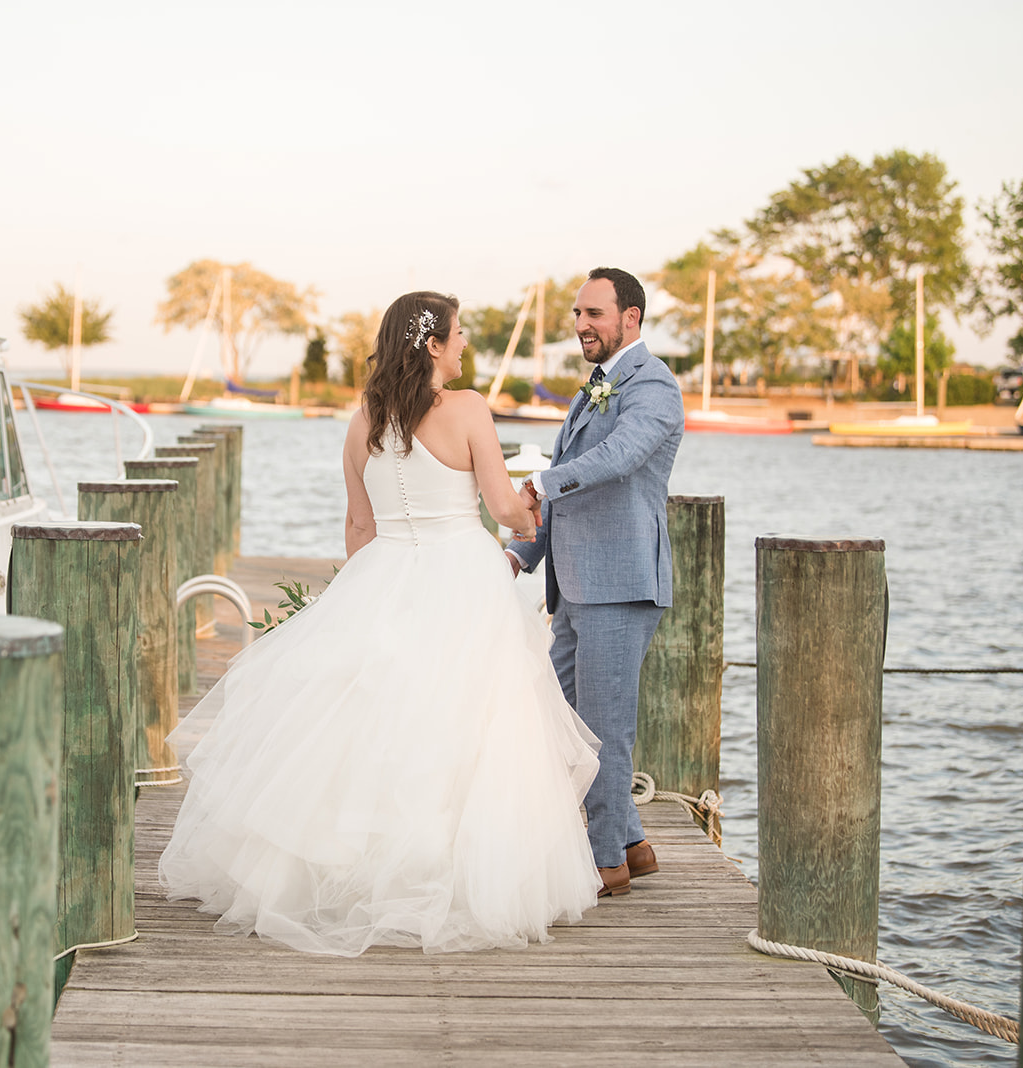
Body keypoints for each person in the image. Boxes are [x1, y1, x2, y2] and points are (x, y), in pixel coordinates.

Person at [159, 291, 605, 957]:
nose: (462, 348)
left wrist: (362, 598)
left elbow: (359, 524)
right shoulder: (470, 410)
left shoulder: (362, 417)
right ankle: (453, 875)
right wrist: (533, 504)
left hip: (384, 570)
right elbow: (504, 510)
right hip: (462, 575)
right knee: (469, 721)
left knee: (377, 719)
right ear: (431, 344)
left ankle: (364, 872)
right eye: (457, 336)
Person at [504, 267, 685, 898]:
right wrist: (522, 554)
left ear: (629, 318)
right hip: (575, 586)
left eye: (593, 314)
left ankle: (604, 861)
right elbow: (570, 490)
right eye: (578, 315)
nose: (581, 325)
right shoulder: (594, 388)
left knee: (604, 730)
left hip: (621, 584)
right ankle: (634, 845)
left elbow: (615, 460)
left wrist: (539, 483)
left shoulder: (654, 386)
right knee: (563, 720)